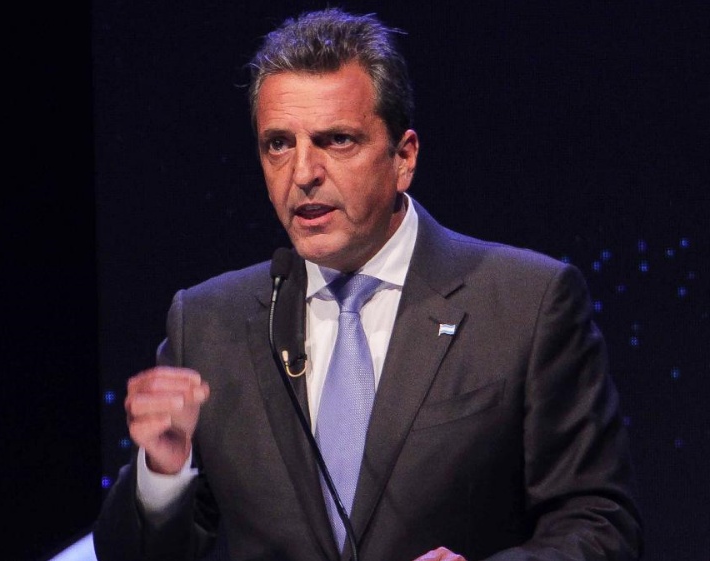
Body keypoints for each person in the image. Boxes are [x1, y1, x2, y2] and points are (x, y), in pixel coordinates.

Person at [92, 7, 642, 561]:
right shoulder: (209, 324)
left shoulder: (526, 304)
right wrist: (162, 474)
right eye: (278, 143)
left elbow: (601, 525)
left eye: (337, 140)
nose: (303, 173)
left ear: (403, 158)